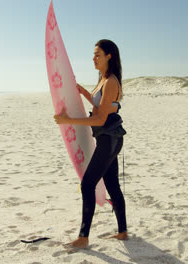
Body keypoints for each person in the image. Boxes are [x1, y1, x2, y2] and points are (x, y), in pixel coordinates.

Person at [54, 39, 128, 249]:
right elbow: (99, 104)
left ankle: (83, 237)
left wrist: (68, 120)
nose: (93, 58)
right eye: (93, 54)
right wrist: (81, 91)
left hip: (108, 140)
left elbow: (100, 119)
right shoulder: (104, 79)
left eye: (97, 54)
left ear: (108, 57)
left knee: (88, 184)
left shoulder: (111, 81)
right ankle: (123, 232)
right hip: (110, 139)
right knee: (112, 184)